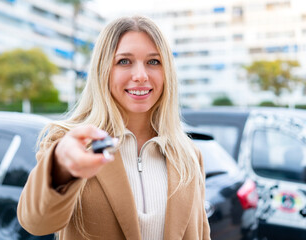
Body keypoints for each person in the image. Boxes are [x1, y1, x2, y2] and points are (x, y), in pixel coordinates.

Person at [17, 15, 211, 240]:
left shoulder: (188, 154)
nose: (140, 76)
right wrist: (61, 166)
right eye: (124, 61)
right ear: (103, 71)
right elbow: (36, 223)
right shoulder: (70, 143)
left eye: (154, 62)